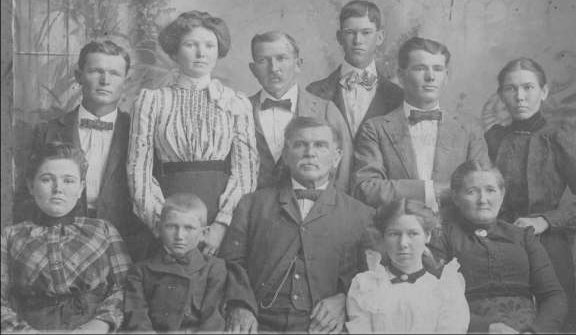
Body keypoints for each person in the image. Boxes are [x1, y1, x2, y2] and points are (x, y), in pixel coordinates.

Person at [220, 117, 373, 333]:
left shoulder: (360, 214)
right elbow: (231, 262)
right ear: (285, 154)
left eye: (320, 145)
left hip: (324, 328)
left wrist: (345, 298)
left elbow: (369, 275)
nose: (310, 153)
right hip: (258, 324)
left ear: (337, 156)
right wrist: (240, 305)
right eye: (300, 144)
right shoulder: (252, 205)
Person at [127, 10, 259, 257]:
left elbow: (245, 173)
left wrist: (221, 226)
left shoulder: (236, 102)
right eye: (191, 45)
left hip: (219, 214)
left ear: (218, 51)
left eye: (209, 45)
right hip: (167, 212)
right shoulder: (151, 100)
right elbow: (138, 170)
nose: (201, 53)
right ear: (175, 51)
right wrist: (163, 225)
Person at [485, 58, 576, 332]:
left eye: (528, 87)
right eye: (511, 88)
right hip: (499, 243)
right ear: (501, 94)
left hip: (548, 245)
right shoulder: (493, 138)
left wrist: (543, 221)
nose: (520, 96)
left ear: (544, 91)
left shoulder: (559, 137)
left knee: (552, 322)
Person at [13, 40, 151, 262]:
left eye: (114, 73)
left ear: (126, 82)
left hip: (126, 244)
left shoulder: (139, 132)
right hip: (60, 243)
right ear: (79, 76)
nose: (105, 80)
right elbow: (26, 192)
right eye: (96, 71)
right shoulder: (48, 131)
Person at [1, 142, 131, 332]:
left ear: (81, 188)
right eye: (47, 179)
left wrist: (100, 324)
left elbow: (126, 286)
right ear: (31, 186)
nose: (58, 189)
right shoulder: (10, 236)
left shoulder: (103, 230)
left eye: (68, 181)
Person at [352, 36, 489, 212]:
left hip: (456, 226)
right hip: (398, 225)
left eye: (438, 69)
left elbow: (483, 185)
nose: (430, 77)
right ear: (401, 76)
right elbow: (366, 188)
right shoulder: (375, 129)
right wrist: (430, 191)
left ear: (446, 76)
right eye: (420, 68)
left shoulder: (469, 129)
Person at [429, 160, 568, 334]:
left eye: (490, 190)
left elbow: (554, 296)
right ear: (456, 197)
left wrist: (535, 331)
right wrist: (485, 328)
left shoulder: (523, 236)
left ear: (501, 195)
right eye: (472, 192)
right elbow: (432, 298)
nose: (483, 200)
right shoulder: (443, 238)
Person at [123, 193, 254, 332]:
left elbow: (212, 320)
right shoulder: (140, 271)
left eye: (189, 228)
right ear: (158, 228)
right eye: (171, 227)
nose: (180, 236)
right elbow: (137, 320)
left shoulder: (214, 268)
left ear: (204, 233)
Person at [248, 31, 352, 192]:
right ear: (253, 69)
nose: (274, 68)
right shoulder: (240, 110)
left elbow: (344, 171)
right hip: (254, 205)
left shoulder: (326, 110)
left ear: (298, 64)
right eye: (263, 60)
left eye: (281, 58)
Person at [345, 198, 469, 333]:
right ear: (383, 237)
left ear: (427, 236)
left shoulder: (445, 290)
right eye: (394, 234)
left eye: (413, 234)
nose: (403, 243)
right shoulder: (366, 286)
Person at [306, 0, 403, 139]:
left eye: (366, 32)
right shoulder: (314, 92)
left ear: (380, 37)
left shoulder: (397, 96)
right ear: (339, 37)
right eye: (350, 32)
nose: (358, 41)